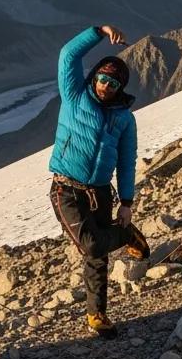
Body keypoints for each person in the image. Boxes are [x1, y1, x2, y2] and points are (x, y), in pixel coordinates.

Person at [49, 24, 150, 339]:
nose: (106, 86)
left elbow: (126, 161)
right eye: (103, 79)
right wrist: (99, 31)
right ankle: (126, 237)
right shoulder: (74, 95)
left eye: (114, 83)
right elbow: (68, 55)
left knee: (97, 258)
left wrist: (128, 202)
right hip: (66, 187)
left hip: (102, 192)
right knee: (92, 244)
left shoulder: (124, 119)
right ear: (94, 77)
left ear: (121, 88)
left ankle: (97, 314)